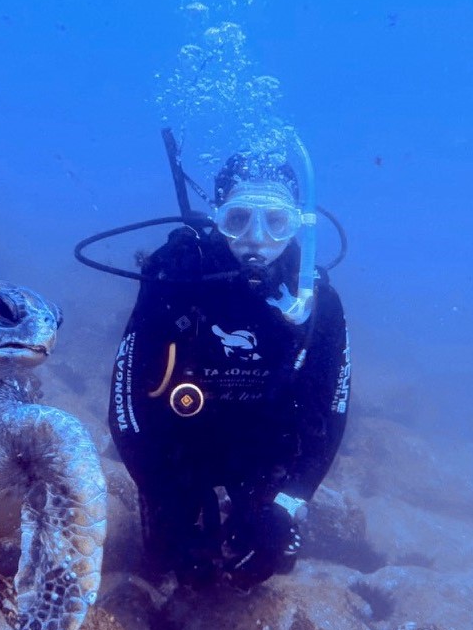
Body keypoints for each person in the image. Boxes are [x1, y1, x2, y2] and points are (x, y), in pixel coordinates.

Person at [109, 156, 350, 587]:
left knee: (271, 559)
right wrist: (162, 494)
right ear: (217, 218)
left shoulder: (317, 303)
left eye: (276, 222)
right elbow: (124, 405)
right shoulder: (174, 278)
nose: (256, 239)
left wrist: (288, 505)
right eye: (238, 219)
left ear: (298, 225)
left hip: (263, 448)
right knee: (165, 556)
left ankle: (256, 512)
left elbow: (331, 414)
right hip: (182, 442)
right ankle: (179, 509)